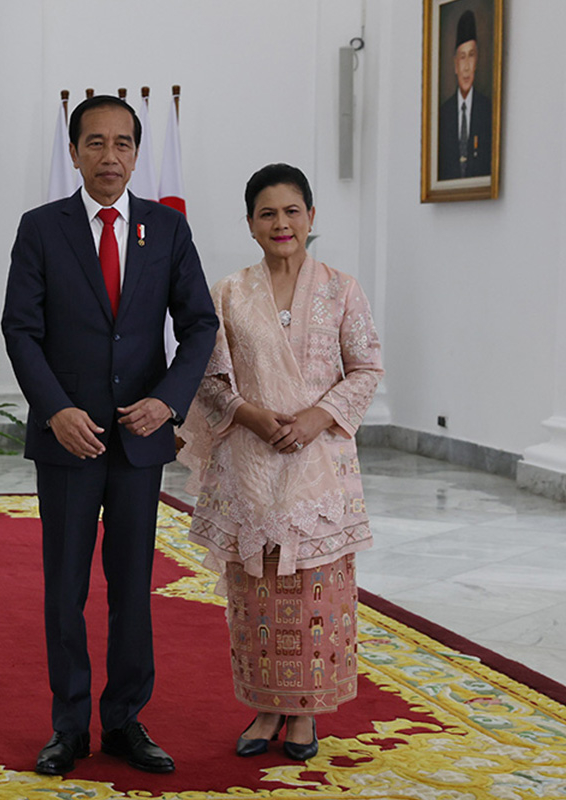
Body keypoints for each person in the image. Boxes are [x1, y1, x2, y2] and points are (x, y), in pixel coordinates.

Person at [2, 95, 219, 776]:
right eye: (94, 143)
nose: (109, 156)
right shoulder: (41, 228)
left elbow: (200, 326)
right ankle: (68, 727)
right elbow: (21, 330)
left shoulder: (167, 230)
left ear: (136, 154)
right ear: (74, 153)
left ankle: (125, 720)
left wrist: (168, 402)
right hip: (68, 440)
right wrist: (56, 409)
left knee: (131, 588)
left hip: (139, 442)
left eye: (123, 144)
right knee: (64, 588)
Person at [178, 163, 383, 761]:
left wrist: (318, 418)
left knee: (315, 595)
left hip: (319, 467)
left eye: (292, 211)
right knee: (257, 596)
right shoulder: (229, 293)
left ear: (312, 217)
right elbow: (209, 376)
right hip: (251, 464)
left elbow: (367, 366)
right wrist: (249, 415)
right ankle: (266, 708)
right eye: (267, 213)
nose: (281, 223)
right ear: (249, 224)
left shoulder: (342, 289)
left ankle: (304, 716)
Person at [438, 8, 492, 180]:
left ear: (477, 61)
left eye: (471, 56)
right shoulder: (442, 114)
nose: (467, 67)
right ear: (455, 64)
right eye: (462, 57)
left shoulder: (488, 110)